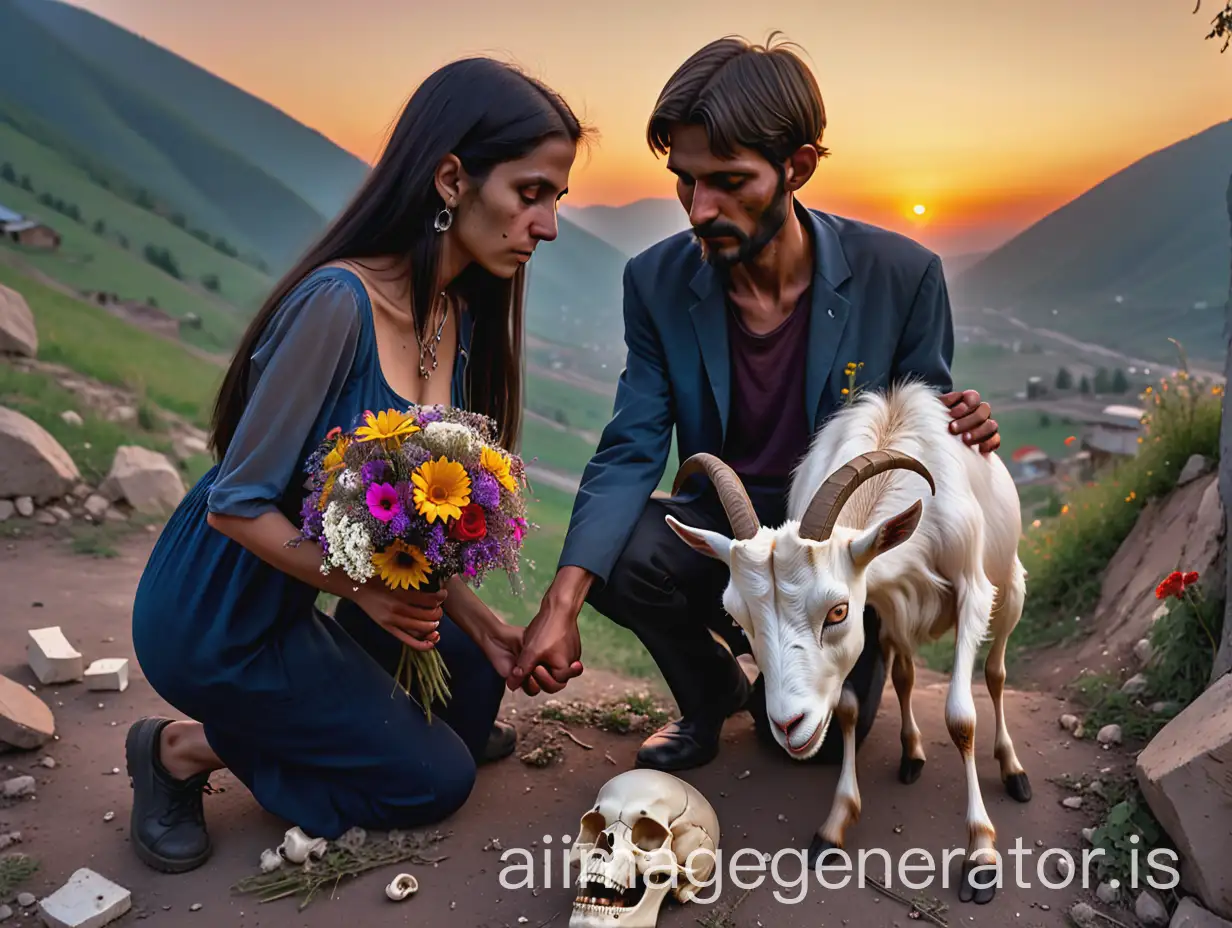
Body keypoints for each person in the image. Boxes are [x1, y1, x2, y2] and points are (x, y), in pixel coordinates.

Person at [125, 57, 588, 873]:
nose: (546, 224)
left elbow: (393, 522)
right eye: (531, 192)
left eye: (555, 199)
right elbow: (234, 505)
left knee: (472, 693)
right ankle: (179, 751)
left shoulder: (454, 315)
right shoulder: (338, 305)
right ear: (452, 178)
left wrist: (492, 629)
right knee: (437, 781)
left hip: (313, 596)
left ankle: (349, 723)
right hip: (218, 615)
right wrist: (365, 595)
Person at [509, 34, 1001, 772]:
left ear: (797, 167)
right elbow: (630, 447)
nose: (700, 209)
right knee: (620, 550)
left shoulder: (903, 278)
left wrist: (963, 430)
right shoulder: (655, 282)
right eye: (686, 181)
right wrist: (562, 602)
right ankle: (710, 697)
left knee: (799, 746)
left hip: (835, 561)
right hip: (728, 536)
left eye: (729, 181)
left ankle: (796, 665)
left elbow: (917, 442)